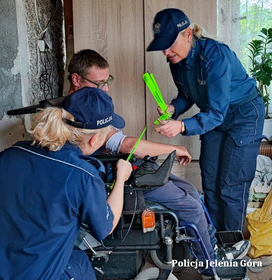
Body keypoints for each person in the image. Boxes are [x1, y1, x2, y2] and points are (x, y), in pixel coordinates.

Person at [66, 49, 251, 277]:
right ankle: (211, 265)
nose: (106, 89)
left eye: (108, 81)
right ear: (76, 79)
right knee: (191, 207)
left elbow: (121, 142)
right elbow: (125, 143)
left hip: (128, 167)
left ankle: (211, 248)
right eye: (99, 83)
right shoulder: (74, 113)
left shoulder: (89, 103)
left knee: (190, 190)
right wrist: (175, 147)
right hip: (118, 177)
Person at [0, 87, 132, 280]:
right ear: (95, 139)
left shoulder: (9, 155)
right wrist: (121, 178)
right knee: (80, 262)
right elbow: (105, 227)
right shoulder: (83, 175)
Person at [146, 8, 265, 232]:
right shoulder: (176, 61)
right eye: (163, 45)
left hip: (244, 115)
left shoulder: (215, 56)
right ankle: (214, 241)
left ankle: (232, 247)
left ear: (188, 34)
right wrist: (174, 108)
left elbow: (217, 113)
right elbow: (187, 94)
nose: (166, 52)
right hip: (212, 116)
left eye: (171, 44)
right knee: (210, 182)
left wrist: (181, 126)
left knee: (230, 185)